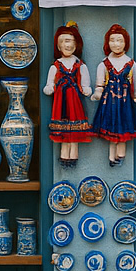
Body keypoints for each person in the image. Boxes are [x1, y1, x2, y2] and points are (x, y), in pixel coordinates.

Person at [90, 24, 136, 167]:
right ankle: (112, 156)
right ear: (107, 43)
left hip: (125, 102)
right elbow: (100, 82)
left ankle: (121, 154)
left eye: (119, 40)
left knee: (124, 127)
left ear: (126, 43)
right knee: (111, 128)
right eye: (112, 40)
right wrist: (97, 93)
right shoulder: (104, 64)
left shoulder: (130, 63)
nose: (116, 44)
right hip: (109, 102)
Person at [43, 24, 93, 167]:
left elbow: (85, 81)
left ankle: (74, 155)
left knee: (75, 130)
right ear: (58, 46)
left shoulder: (79, 65)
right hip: (61, 101)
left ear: (76, 45)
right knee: (64, 131)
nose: (68, 45)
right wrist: (50, 87)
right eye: (64, 42)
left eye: (70, 41)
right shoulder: (56, 65)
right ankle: (64, 155)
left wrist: (85, 88)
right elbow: (50, 82)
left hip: (75, 101)